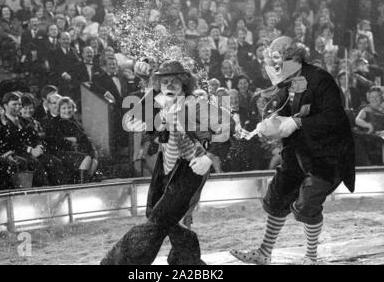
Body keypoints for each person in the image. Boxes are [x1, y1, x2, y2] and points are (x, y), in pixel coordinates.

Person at [231, 36, 355, 265]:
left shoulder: (321, 79)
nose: (274, 69)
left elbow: (335, 117)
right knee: (278, 195)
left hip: (328, 156)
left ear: (295, 59)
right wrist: (271, 122)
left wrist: (298, 123)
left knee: (308, 203)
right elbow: (282, 111)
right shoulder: (288, 82)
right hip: (298, 153)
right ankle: (264, 253)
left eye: (278, 63)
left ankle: (311, 257)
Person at [101, 60, 230, 265]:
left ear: (184, 84)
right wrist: (143, 123)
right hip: (166, 167)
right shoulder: (157, 101)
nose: (170, 85)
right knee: (155, 213)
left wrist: (209, 157)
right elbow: (130, 118)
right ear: (158, 83)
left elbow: (225, 127)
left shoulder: (195, 104)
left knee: (159, 220)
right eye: (165, 81)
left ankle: (119, 262)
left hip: (189, 168)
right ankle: (187, 258)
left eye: (175, 82)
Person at [47, 97, 98, 183]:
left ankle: (84, 182)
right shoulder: (55, 123)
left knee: (94, 161)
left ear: (73, 108)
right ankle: (81, 185)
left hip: (76, 150)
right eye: (64, 108)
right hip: (61, 152)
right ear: (59, 110)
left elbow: (84, 139)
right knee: (86, 159)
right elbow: (59, 141)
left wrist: (74, 139)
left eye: (69, 107)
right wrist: (74, 140)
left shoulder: (75, 122)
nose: (67, 110)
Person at [355, 86, 384, 166]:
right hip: (374, 135)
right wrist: (368, 125)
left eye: (377, 96)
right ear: (369, 98)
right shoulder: (366, 109)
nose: (374, 99)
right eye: (372, 97)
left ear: (382, 97)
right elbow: (357, 120)